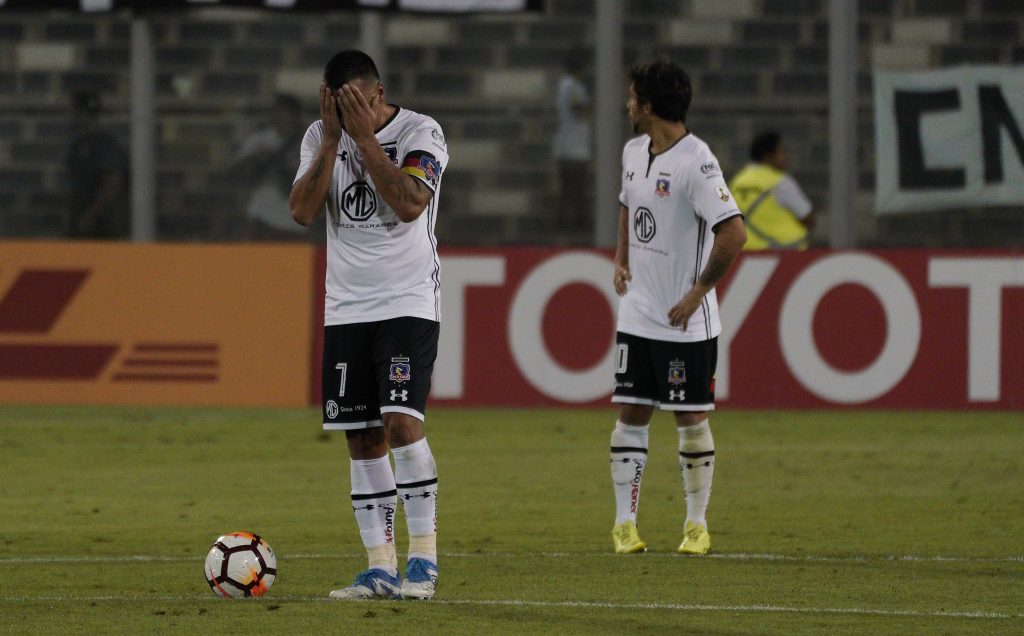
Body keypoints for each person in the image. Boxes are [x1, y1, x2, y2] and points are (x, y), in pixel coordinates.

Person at [289, 50, 447, 601]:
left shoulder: (421, 132)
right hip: (347, 307)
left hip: (406, 301)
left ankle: (423, 563)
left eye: (351, 103)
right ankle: (380, 568)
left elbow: (408, 203)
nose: (340, 112)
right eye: (333, 105)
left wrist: (366, 141)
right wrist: (333, 141)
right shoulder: (318, 138)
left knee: (402, 422)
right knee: (361, 437)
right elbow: (303, 211)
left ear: (376, 95)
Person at [608, 58, 747, 556]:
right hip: (638, 312)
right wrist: (622, 256)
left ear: (647, 105)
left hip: (684, 321)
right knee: (630, 411)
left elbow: (734, 232)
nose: (626, 104)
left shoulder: (697, 162)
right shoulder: (632, 150)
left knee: (690, 419)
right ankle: (625, 525)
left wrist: (697, 293)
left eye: (631, 97)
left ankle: (695, 524)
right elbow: (628, 202)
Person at [232, 94, 310, 241]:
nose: (281, 118)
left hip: (292, 217)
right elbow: (237, 173)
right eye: (277, 113)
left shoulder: (307, 144)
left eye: (285, 114)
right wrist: (255, 160)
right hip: (261, 214)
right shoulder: (259, 140)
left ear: (294, 116)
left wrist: (295, 167)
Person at [729, 131, 814, 250]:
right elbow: (807, 217)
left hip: (745, 253)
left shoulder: (737, 182)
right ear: (767, 156)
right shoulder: (779, 181)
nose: (787, 156)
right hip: (783, 253)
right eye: (782, 151)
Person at [65, 91, 130, 239]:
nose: (68, 114)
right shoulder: (78, 143)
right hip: (80, 222)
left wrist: (90, 216)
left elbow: (112, 184)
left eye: (71, 109)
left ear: (81, 111)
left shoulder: (104, 143)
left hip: (101, 228)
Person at [550, 47, 592, 233]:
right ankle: (571, 226)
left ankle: (568, 224)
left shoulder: (566, 85)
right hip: (573, 149)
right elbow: (578, 109)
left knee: (571, 190)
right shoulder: (572, 86)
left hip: (570, 147)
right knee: (574, 190)